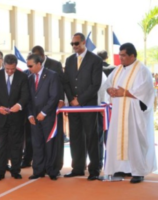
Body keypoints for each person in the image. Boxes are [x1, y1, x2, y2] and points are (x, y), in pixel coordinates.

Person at [104, 43, 157, 183]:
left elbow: (146, 91)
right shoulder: (118, 70)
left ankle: (138, 171)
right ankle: (121, 168)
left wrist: (126, 93)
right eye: (119, 55)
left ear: (132, 55)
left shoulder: (142, 70)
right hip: (118, 112)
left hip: (134, 114)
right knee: (118, 139)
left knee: (134, 141)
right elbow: (108, 84)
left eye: (123, 55)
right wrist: (111, 91)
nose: (120, 58)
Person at [63, 32, 102, 180]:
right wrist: (72, 99)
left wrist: (80, 100)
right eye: (72, 44)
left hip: (88, 105)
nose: (74, 46)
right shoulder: (69, 60)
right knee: (75, 137)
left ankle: (94, 169)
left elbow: (95, 84)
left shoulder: (95, 60)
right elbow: (66, 81)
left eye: (76, 43)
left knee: (92, 137)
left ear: (84, 43)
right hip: (73, 106)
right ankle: (78, 168)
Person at [0, 54, 29, 181]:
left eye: (12, 69)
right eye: (8, 69)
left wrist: (19, 105)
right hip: (1, 117)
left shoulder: (22, 76)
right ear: (4, 65)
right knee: (1, 145)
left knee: (16, 145)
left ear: (16, 66)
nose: (10, 71)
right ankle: (0, 171)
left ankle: (15, 170)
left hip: (17, 117)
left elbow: (25, 95)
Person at [31, 46, 65, 174]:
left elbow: (61, 83)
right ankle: (40, 168)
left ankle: (54, 167)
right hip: (36, 110)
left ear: (42, 56)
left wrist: (61, 99)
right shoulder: (31, 70)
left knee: (53, 139)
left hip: (52, 108)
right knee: (38, 142)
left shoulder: (55, 65)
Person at [27, 54, 60, 180]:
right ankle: (38, 170)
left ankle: (51, 170)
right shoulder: (29, 78)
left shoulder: (52, 75)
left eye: (31, 65)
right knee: (37, 144)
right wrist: (30, 114)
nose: (29, 68)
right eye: (28, 66)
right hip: (34, 117)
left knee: (50, 143)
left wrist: (44, 113)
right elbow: (28, 98)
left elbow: (54, 96)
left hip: (48, 116)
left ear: (39, 64)